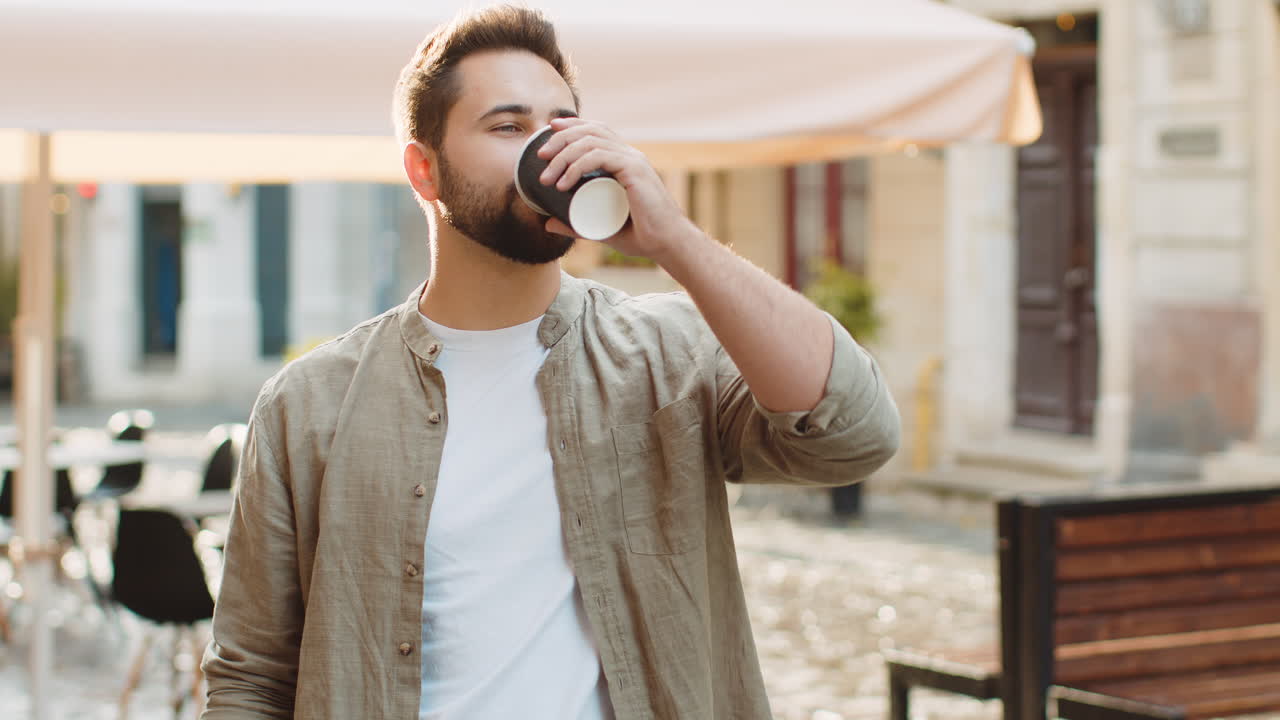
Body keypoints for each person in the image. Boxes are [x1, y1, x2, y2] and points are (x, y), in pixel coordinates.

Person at [201, 5, 899, 719]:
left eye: (560, 126)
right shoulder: (309, 404)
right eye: (507, 127)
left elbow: (854, 434)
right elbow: (250, 676)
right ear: (424, 169)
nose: (547, 152)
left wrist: (675, 241)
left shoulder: (669, 353)